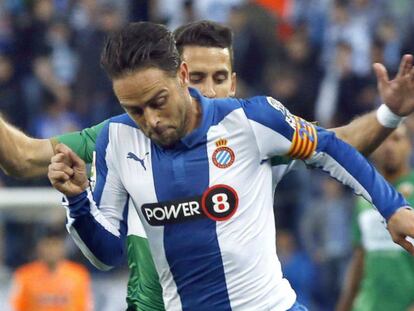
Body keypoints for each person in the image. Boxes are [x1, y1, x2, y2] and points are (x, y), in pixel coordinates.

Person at [1, 20, 414, 311]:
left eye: (157, 102)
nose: (151, 120)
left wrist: (393, 207)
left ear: (181, 78)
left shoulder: (253, 122)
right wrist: (77, 200)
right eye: (134, 109)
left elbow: (332, 146)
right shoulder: (113, 138)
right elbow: (106, 250)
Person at [336, 125, 414, 311]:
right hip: (366, 305)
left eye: (396, 139)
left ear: (409, 145)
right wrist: (344, 305)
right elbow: (360, 256)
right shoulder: (363, 195)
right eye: (383, 140)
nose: (389, 147)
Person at [9, 226, 93, 311]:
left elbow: (84, 306)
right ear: (39, 247)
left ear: (62, 248)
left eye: (55, 244)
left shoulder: (78, 275)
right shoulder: (25, 275)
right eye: (47, 245)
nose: (51, 250)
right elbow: (16, 306)